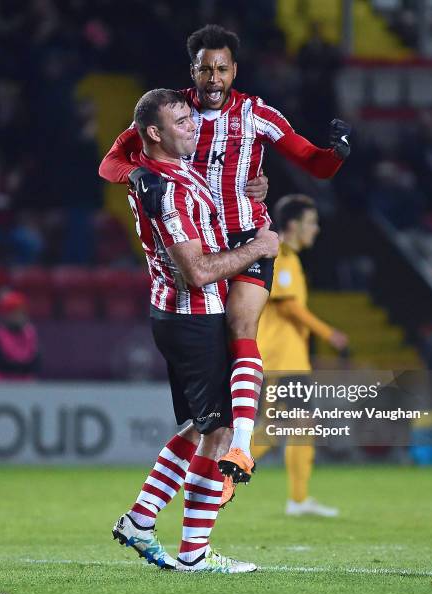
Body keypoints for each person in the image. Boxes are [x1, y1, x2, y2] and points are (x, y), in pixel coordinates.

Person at [99, 24, 350, 482]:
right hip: (199, 244)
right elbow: (109, 162)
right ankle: (216, 447)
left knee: (242, 326)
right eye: (204, 69)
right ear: (191, 71)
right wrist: (135, 176)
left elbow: (313, 161)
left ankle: (239, 447)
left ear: (234, 70)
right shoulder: (170, 114)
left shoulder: (257, 114)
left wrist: (336, 153)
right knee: (214, 353)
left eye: (221, 69)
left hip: (247, 237)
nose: (213, 78)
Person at [111, 88, 279, 573]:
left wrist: (256, 186)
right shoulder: (169, 190)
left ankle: (141, 520)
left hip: (181, 316)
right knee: (219, 431)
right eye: (182, 122)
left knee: (194, 427)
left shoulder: (170, 172)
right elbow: (198, 272)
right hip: (193, 317)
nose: (194, 126)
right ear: (154, 134)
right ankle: (195, 554)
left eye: (191, 117)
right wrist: (259, 247)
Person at [252, 194, 348, 516]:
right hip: (282, 359)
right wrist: (328, 333)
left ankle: (299, 499)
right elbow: (288, 305)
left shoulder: (289, 257)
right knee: (272, 430)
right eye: (311, 223)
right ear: (293, 225)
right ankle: (214, 477)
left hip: (289, 358)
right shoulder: (281, 256)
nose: (316, 229)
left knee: (297, 427)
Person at [0, 290, 40, 381]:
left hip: (26, 384)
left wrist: (22, 368)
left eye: (21, 312)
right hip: (1, 384)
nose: (18, 315)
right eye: (14, 312)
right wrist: (21, 367)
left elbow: (36, 362)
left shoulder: (30, 332)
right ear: (6, 314)